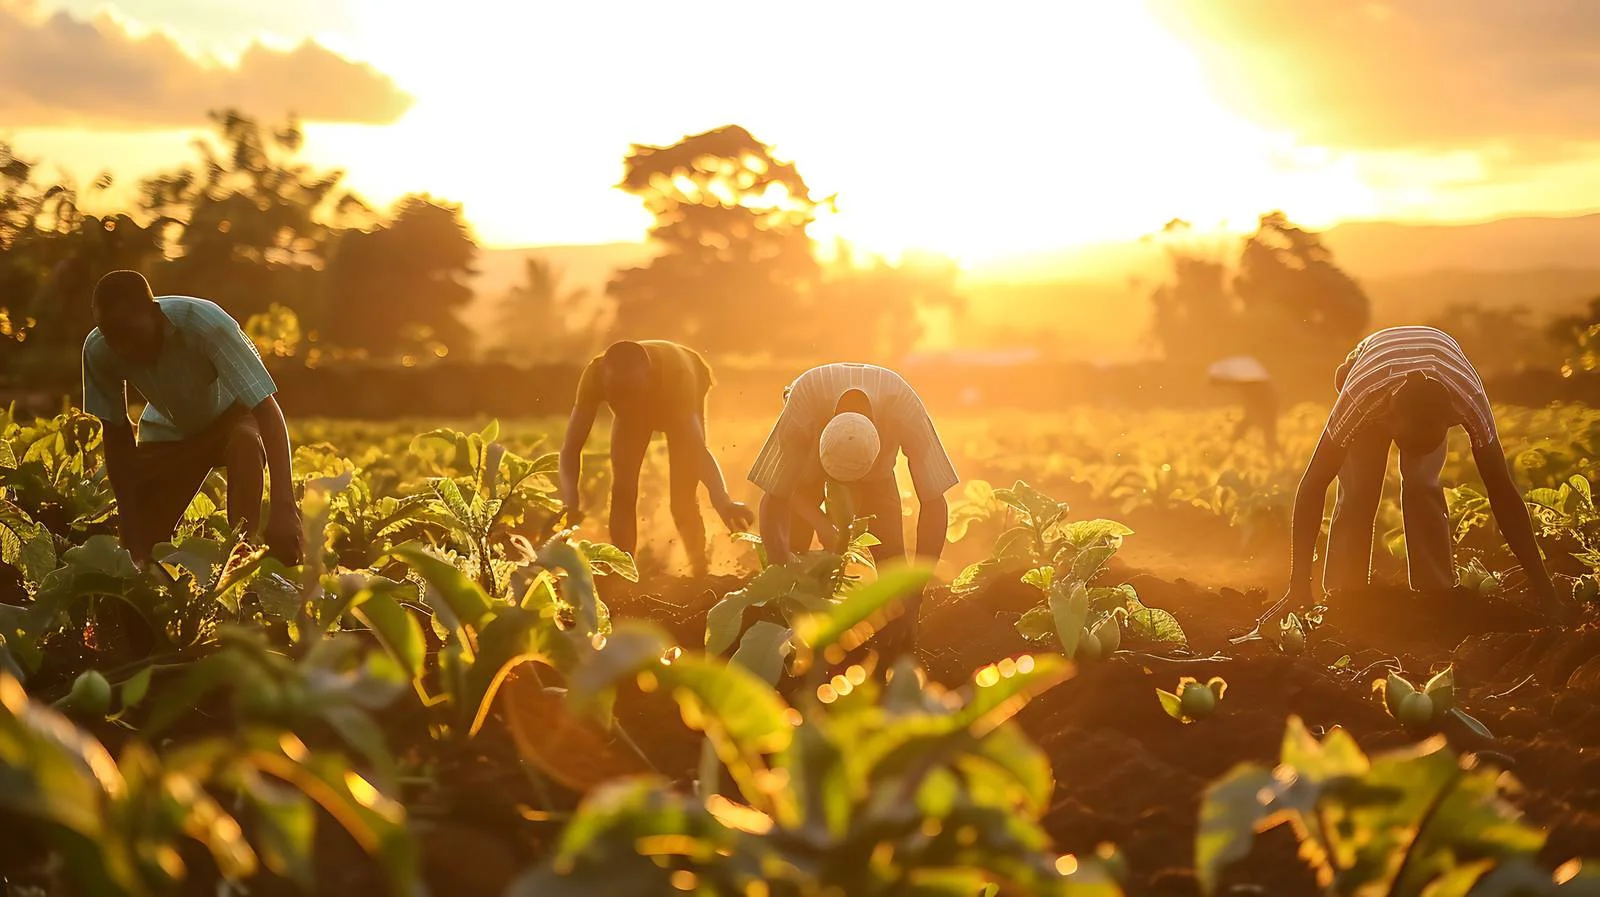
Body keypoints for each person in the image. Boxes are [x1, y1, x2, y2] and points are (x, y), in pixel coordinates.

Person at [1276, 325, 1565, 618]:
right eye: (1408, 443)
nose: (1412, 451)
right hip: (1370, 369)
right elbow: (1314, 482)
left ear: (1450, 419)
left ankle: (1435, 595)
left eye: (1428, 441)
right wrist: (1299, 583)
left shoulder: (1468, 400)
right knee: (1357, 493)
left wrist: (1544, 588)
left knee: (1422, 484)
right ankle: (1345, 599)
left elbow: (1502, 490)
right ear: (1387, 420)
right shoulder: (1361, 398)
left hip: (1438, 366)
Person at [81, 270, 303, 565]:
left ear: (154, 313)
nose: (124, 349)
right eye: (113, 338)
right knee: (142, 549)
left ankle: (241, 554)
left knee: (246, 441)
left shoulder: (205, 324)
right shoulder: (99, 350)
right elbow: (116, 432)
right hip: (170, 432)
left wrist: (284, 508)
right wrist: (129, 518)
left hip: (232, 415)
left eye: (132, 336)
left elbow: (267, 410)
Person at [748, 363, 960, 657]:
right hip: (808, 467)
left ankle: (895, 649)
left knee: (893, 573)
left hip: (879, 478)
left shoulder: (903, 408)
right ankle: (792, 629)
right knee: (794, 550)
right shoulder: (804, 406)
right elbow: (775, 496)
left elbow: (934, 502)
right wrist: (781, 577)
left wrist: (915, 593)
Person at [558, 340, 753, 576]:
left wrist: (723, 501)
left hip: (683, 387)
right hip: (639, 410)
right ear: (605, 380)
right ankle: (623, 569)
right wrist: (571, 503)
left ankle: (700, 569)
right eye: (616, 393)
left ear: (649, 378)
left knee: (682, 497)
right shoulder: (594, 375)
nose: (625, 401)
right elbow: (571, 448)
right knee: (623, 490)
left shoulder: (677, 379)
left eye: (630, 391)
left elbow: (696, 450)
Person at [1207, 356, 1279, 453]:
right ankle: (1277, 457)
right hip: (1267, 402)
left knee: (1266, 432)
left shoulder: (1246, 382)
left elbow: (1256, 401)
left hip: (1266, 403)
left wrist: (1253, 414)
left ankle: (1231, 448)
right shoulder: (1245, 379)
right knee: (1266, 432)